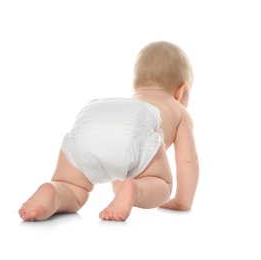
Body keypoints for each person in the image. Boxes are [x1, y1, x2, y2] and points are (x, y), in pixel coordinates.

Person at [18, 41, 199, 222]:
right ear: (180, 91)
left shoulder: (132, 104)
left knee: (73, 187)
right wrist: (182, 202)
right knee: (162, 185)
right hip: (135, 130)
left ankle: (55, 192)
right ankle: (135, 190)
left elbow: (118, 148)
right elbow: (187, 161)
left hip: (91, 117)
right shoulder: (177, 111)